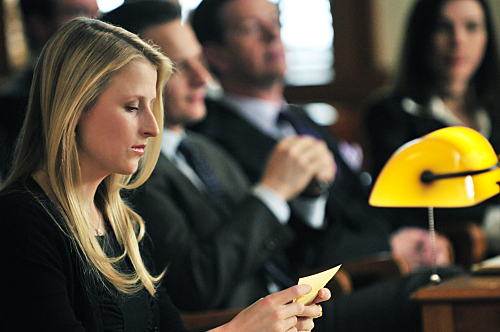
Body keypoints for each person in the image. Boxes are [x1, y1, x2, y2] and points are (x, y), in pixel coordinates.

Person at [0, 17, 329, 331]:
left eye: (152, 106)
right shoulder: (20, 222)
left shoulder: (122, 222)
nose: (153, 128)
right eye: (132, 107)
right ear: (75, 109)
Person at [190, 0, 464, 331]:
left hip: (369, 269)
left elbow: (362, 200)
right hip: (318, 293)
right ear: (217, 55)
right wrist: (387, 247)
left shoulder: (303, 118)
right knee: (453, 290)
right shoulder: (210, 139)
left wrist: (403, 237)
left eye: (275, 21)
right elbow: (284, 242)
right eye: (250, 27)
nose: (273, 35)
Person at [101, 0, 335, 313]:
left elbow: (284, 258)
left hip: (297, 309)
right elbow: (195, 286)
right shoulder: (131, 170)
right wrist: (272, 192)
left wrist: (310, 197)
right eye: (178, 66)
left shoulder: (209, 151)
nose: (203, 77)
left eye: (199, 60)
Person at [364, 0, 500, 251]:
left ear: (487, 37)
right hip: (453, 255)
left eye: (471, 27)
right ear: (422, 35)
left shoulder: (493, 109)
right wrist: (489, 220)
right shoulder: (390, 114)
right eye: (442, 27)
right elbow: (405, 206)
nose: (457, 39)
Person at [0, 0, 100, 182]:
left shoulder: (110, 85)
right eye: (79, 12)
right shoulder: (11, 103)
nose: (96, 23)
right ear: (37, 24)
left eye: (97, 13)